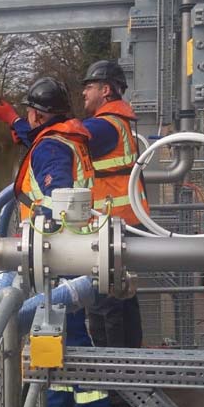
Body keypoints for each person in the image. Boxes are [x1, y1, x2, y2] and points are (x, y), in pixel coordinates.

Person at [0, 77, 127, 407]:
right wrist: (13, 120)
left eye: (28, 113)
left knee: (71, 338)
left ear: (39, 114)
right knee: (59, 331)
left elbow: (56, 197)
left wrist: (37, 244)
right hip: (71, 254)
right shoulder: (66, 138)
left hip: (56, 255)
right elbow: (36, 144)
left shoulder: (51, 145)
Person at [80, 60, 149, 350]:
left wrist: (23, 126)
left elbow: (62, 141)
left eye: (89, 86)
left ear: (105, 90)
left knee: (104, 305)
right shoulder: (119, 123)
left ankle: (117, 383)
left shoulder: (104, 126)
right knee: (124, 299)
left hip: (111, 225)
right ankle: (133, 367)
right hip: (124, 221)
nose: (84, 92)